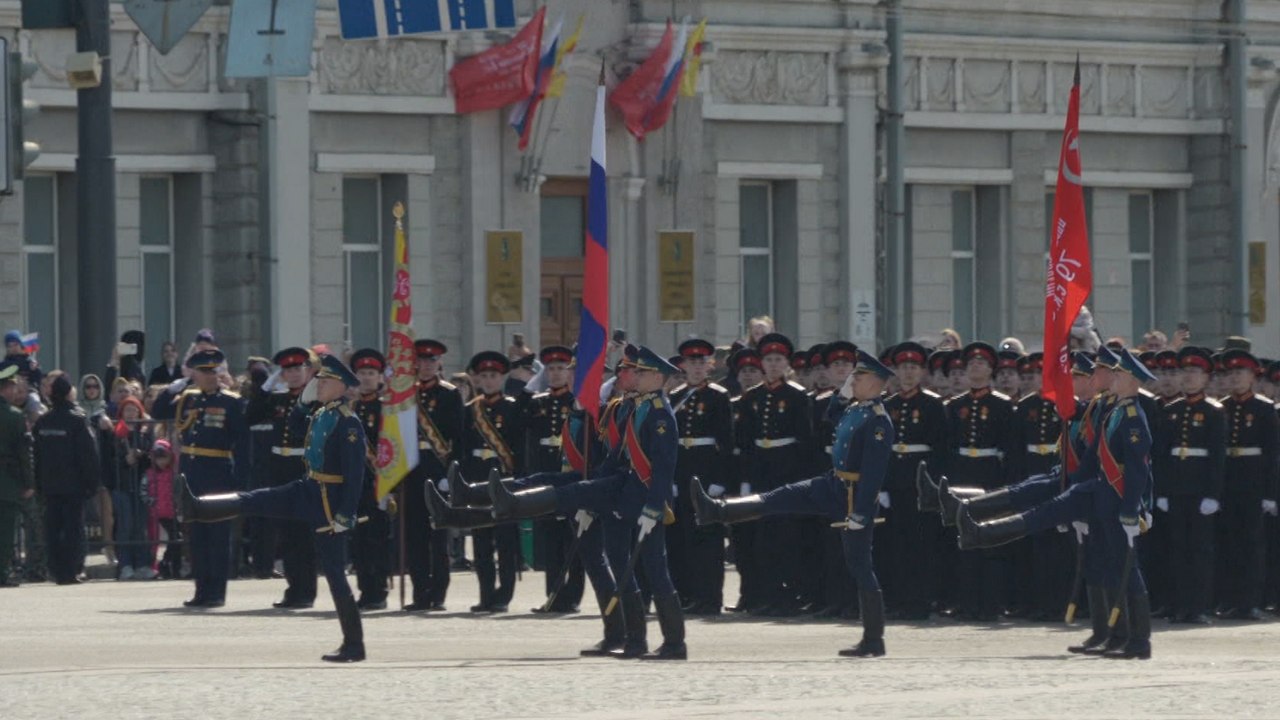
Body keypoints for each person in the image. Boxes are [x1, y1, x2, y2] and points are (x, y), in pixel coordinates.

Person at [693, 348, 896, 657]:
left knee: (860, 566)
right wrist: (843, 394)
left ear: (877, 382)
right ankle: (718, 510)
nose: (853, 380)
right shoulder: (858, 409)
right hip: (832, 482)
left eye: (859, 376)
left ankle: (873, 638)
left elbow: (873, 474)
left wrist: (862, 513)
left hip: (852, 497)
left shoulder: (879, 422)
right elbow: (831, 416)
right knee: (782, 496)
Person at [956, 347, 1156, 660]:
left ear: (1132, 381)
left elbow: (1138, 470)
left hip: (1116, 501)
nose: (1112, 378)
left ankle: (1139, 641)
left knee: (1125, 570)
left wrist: (1132, 510)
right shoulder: (1114, 411)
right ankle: (1115, 636)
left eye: (1119, 374)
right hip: (1097, 493)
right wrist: (1070, 493)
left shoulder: (1132, 417)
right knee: (1088, 549)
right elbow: (1091, 460)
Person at [489, 346, 688, 660]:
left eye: (641, 372)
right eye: (634, 371)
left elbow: (663, 466)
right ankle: (635, 640)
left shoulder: (660, 413)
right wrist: (591, 491)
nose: (634, 375)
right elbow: (615, 458)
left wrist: (654, 507)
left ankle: (675, 643)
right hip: (621, 496)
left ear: (658, 377)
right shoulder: (637, 408)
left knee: (655, 570)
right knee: (621, 565)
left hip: (645, 500)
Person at [183, 354, 367, 662]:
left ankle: (354, 644)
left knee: (335, 573)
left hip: (328, 501)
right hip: (308, 487)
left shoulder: (348, 423)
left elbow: (355, 474)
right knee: (258, 498)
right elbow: (295, 428)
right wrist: (306, 401)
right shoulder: (322, 415)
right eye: (317, 380)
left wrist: (345, 514)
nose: (317, 385)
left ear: (340, 385)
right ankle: (199, 508)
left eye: (323, 381)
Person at [150, 349, 250, 608]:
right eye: (203, 371)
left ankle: (216, 591)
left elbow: (242, 442)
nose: (209, 376)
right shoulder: (188, 398)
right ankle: (201, 589)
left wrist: (239, 480)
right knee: (196, 536)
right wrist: (175, 387)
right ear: (194, 373)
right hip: (191, 473)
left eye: (213, 371)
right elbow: (159, 411)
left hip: (217, 473)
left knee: (217, 534)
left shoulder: (231, 402)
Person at [736, 333, 813, 616]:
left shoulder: (796, 396)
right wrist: (745, 478)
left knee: (787, 536)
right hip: (760, 471)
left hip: (786, 470)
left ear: (787, 363)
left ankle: (789, 595)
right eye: (768, 359)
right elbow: (744, 441)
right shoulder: (752, 397)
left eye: (778, 359)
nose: (773, 364)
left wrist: (800, 479)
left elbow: (805, 441)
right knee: (763, 536)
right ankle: (766, 593)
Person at [1154, 346, 1224, 624]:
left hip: (1200, 491)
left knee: (1201, 552)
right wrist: (1162, 492)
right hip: (1176, 491)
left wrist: (1213, 494)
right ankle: (1180, 605)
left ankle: (1199, 606)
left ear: (1206, 378)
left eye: (1195, 372)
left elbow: (1217, 457)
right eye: (1186, 371)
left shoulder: (1214, 412)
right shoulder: (1171, 410)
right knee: (1177, 550)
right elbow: (1162, 456)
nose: (1189, 377)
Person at [245, 347, 319, 609]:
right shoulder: (277, 400)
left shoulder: (316, 400)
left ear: (307, 371)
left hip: (304, 467)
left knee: (304, 534)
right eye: (287, 370)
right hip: (280, 468)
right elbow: (250, 416)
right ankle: (293, 588)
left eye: (298, 369)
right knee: (286, 532)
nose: (293, 374)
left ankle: (306, 591)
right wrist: (265, 387)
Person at [667, 339, 734, 615]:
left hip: (706, 470)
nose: (696, 368)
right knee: (681, 537)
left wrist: (720, 479)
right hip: (682, 468)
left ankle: (709, 597)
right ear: (682, 366)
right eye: (690, 363)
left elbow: (726, 442)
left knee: (707, 538)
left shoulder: (718, 396)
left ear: (710, 365)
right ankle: (685, 594)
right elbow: (670, 442)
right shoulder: (675, 396)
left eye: (701, 362)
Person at [882, 342, 947, 620]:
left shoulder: (933, 405)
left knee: (922, 545)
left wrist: (932, 484)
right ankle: (897, 599)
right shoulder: (887, 406)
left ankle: (920, 601)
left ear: (922, 372)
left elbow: (941, 449)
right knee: (895, 545)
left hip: (920, 483)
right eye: (903, 367)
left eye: (913, 367)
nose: (908, 373)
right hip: (895, 483)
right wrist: (881, 486)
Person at [1214, 349, 1278, 620]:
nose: (1235, 378)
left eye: (1241, 373)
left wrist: (1269, 493)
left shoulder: (1264, 408)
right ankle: (1231, 599)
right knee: (1230, 542)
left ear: (1253, 376)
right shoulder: (1222, 407)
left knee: (1252, 544)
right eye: (1231, 373)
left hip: (1253, 481)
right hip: (1230, 479)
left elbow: (1272, 454)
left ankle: (1250, 601)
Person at [464, 351, 527, 613]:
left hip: (504, 481)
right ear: (477, 379)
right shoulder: (470, 410)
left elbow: (520, 448)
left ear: (502, 378)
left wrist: (519, 481)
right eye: (484, 376)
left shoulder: (512, 408)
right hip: (478, 482)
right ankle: (486, 595)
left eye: (494, 376)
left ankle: (504, 596)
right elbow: (464, 448)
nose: (489, 381)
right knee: (481, 543)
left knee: (506, 543)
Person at [524, 345, 584, 614]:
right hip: (547, 476)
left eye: (561, 368)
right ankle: (553, 595)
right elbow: (528, 437)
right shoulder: (538, 403)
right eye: (551, 369)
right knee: (551, 541)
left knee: (574, 540)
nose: (556, 373)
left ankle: (572, 596)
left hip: (571, 476)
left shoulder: (578, 402)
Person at [405, 339, 462, 612]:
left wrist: (448, 473)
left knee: (438, 536)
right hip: (410, 471)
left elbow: (458, 438)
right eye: (421, 361)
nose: (425, 366)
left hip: (436, 469)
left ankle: (437, 593)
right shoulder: (404, 395)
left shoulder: (450, 394)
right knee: (414, 536)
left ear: (439, 363)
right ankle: (419, 592)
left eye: (431, 361)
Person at [33, 375, 100, 584]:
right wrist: (92, 483)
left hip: (50, 485)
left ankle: (56, 569)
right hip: (73, 485)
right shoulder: (78, 420)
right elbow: (89, 455)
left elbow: (35, 455)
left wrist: (38, 483)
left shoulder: (43, 421)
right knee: (73, 528)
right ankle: (71, 570)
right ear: (70, 392)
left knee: (52, 527)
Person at [349, 348, 392, 611]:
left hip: (379, 481)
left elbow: (393, 447)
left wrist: (392, 484)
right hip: (354, 482)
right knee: (358, 539)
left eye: (371, 373)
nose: (366, 378)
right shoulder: (348, 408)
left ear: (379, 377)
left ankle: (378, 590)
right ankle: (365, 588)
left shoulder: (387, 409)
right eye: (362, 373)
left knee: (377, 538)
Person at [112, 396, 155, 579]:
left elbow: (151, 455)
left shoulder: (144, 432)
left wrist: (141, 455)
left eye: (134, 410)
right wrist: (124, 460)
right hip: (123, 484)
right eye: (127, 410)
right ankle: (125, 564)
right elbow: (111, 459)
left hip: (140, 484)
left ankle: (143, 564)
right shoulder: (116, 433)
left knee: (140, 526)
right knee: (125, 525)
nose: (131, 414)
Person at [0, 364, 34, 586]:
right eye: (12, 386)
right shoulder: (15, 416)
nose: (14, 391)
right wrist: (29, 482)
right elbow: (24, 453)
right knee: (5, 531)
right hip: (7, 481)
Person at [146, 440, 181, 580]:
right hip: (155, 511)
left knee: (176, 538)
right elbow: (144, 492)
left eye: (164, 457)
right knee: (155, 540)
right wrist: (151, 502)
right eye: (158, 457)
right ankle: (155, 566)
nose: (161, 461)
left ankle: (170, 566)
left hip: (170, 511)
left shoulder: (172, 473)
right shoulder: (149, 474)